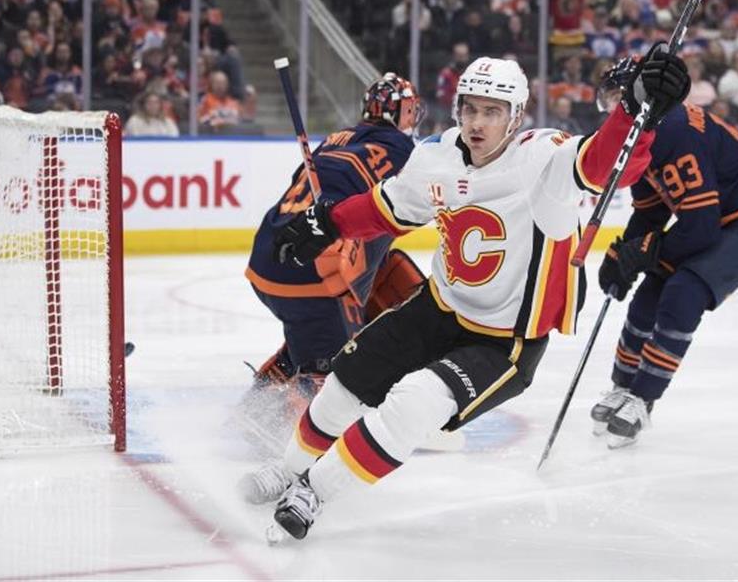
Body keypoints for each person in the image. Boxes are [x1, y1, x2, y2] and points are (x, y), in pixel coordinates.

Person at [243, 53, 690, 541]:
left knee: (413, 405)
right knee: (346, 382)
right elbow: (387, 208)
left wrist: (637, 112)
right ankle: (289, 469)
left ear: (516, 116)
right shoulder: (435, 156)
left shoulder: (546, 159)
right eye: (470, 109)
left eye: (493, 111)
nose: (478, 123)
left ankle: (314, 492)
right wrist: (328, 222)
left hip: (504, 341)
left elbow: (608, 164)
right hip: (439, 307)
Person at [591, 58, 738, 448]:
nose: (616, 112)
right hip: (716, 216)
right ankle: (622, 387)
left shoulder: (677, 131)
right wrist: (624, 254)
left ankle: (643, 399)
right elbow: (650, 211)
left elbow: (699, 226)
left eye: (620, 100)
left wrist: (645, 249)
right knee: (650, 292)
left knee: (685, 290)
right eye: (611, 103)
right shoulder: (646, 136)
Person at [242, 74, 426, 442]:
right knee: (339, 373)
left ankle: (257, 401)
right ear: (402, 113)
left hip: (265, 256)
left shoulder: (337, 138)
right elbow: (414, 203)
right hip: (314, 270)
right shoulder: (405, 152)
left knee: (310, 336)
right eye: (409, 111)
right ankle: (275, 432)